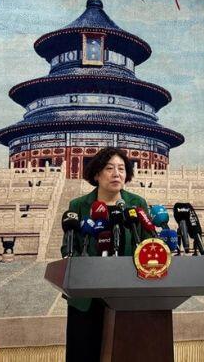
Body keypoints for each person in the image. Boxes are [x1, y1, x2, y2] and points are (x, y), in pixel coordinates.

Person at [61, 147, 151, 362]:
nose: (116, 174)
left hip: (128, 293)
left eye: (121, 169)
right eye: (109, 168)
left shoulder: (137, 204)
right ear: (96, 174)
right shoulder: (78, 206)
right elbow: (68, 247)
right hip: (87, 296)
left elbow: (148, 243)